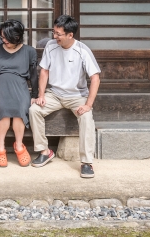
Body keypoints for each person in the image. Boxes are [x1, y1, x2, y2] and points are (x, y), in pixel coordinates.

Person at [29, 14, 101, 179]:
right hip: (54, 93)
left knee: (86, 117)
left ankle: (87, 162)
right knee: (34, 110)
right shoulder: (50, 46)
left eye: (58, 34)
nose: (55, 37)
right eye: (54, 32)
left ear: (70, 35)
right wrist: (41, 95)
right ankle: (44, 151)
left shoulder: (82, 50)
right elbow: (44, 71)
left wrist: (88, 104)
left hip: (77, 95)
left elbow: (95, 77)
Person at [0, 20, 39, 168]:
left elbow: (34, 75)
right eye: (2, 37)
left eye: (7, 38)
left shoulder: (29, 51)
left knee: (20, 109)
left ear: (17, 37)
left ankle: (18, 145)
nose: (3, 40)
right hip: (1, 84)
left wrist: (35, 95)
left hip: (20, 85)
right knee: (4, 109)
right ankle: (0, 146)